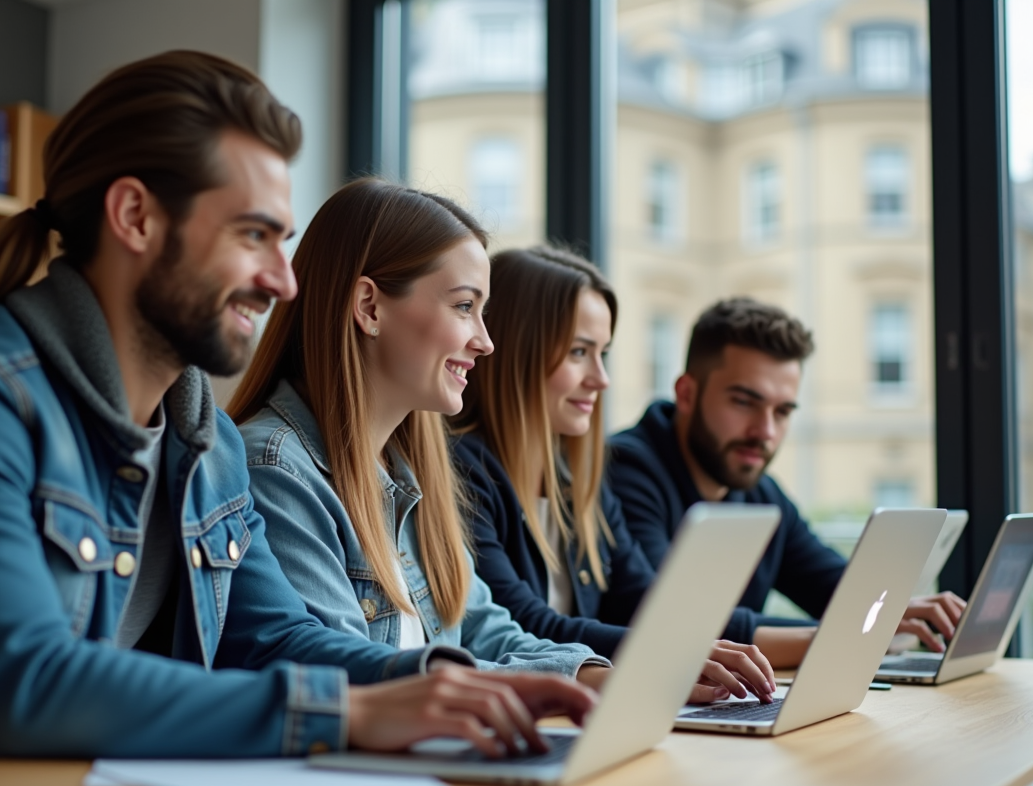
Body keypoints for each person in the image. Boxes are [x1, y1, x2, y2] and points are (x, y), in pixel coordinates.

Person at [0, 52, 595, 778]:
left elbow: (274, 639)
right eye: (252, 235)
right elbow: (29, 684)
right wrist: (349, 716)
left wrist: (447, 681)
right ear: (135, 217)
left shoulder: (208, 443)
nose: (282, 281)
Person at [229, 179, 640, 693]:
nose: (485, 342)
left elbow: (484, 630)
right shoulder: (275, 468)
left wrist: (609, 675)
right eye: (465, 307)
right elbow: (348, 671)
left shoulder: (410, 472)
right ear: (370, 308)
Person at [450, 246, 775, 702]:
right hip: (535, 707)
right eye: (579, 352)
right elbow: (525, 623)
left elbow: (648, 603)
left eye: (603, 353)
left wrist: (698, 650)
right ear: (515, 353)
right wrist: (665, 655)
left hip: (576, 704)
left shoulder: (580, 482)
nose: (601, 378)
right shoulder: (461, 470)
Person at [606, 297, 965, 667]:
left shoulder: (761, 492)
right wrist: (849, 632)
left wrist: (889, 609)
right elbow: (665, 619)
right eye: (744, 402)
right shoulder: (623, 471)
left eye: (782, 412)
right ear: (686, 394)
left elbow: (835, 587)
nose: (765, 432)